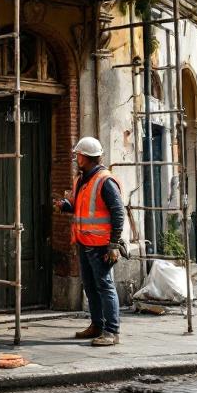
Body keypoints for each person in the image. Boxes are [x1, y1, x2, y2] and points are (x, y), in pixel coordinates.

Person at [55, 137, 125, 347]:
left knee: (105, 286)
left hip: (101, 245)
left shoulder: (105, 181)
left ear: (85, 157)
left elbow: (118, 213)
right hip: (84, 241)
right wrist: (65, 205)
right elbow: (79, 207)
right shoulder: (82, 180)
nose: (76, 158)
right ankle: (97, 325)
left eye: (78, 155)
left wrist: (114, 244)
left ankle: (111, 331)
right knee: (90, 286)